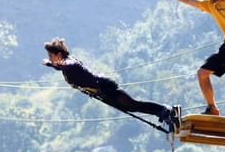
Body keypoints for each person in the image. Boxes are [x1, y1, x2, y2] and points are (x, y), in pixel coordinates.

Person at [43, 37, 181, 133]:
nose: (50, 58)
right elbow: (61, 67)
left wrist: (53, 64)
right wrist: (51, 64)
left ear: (59, 54)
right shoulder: (64, 65)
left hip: (105, 86)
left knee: (134, 105)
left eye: (51, 56)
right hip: (102, 92)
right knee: (132, 108)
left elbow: (68, 65)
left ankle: (167, 110)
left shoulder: (70, 63)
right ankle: (164, 113)